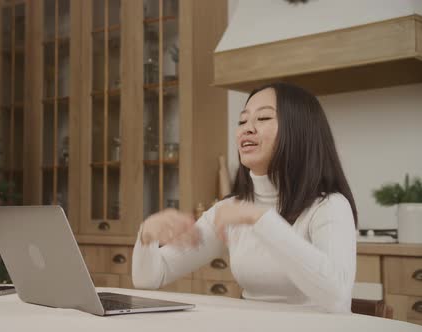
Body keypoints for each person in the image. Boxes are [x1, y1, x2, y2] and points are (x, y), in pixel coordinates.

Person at [132, 82, 358, 313]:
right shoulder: (231, 209)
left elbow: (337, 298)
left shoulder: (330, 206)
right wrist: (146, 236)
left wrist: (260, 219)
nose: (246, 129)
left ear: (300, 130)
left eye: (263, 118)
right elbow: (149, 278)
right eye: (242, 121)